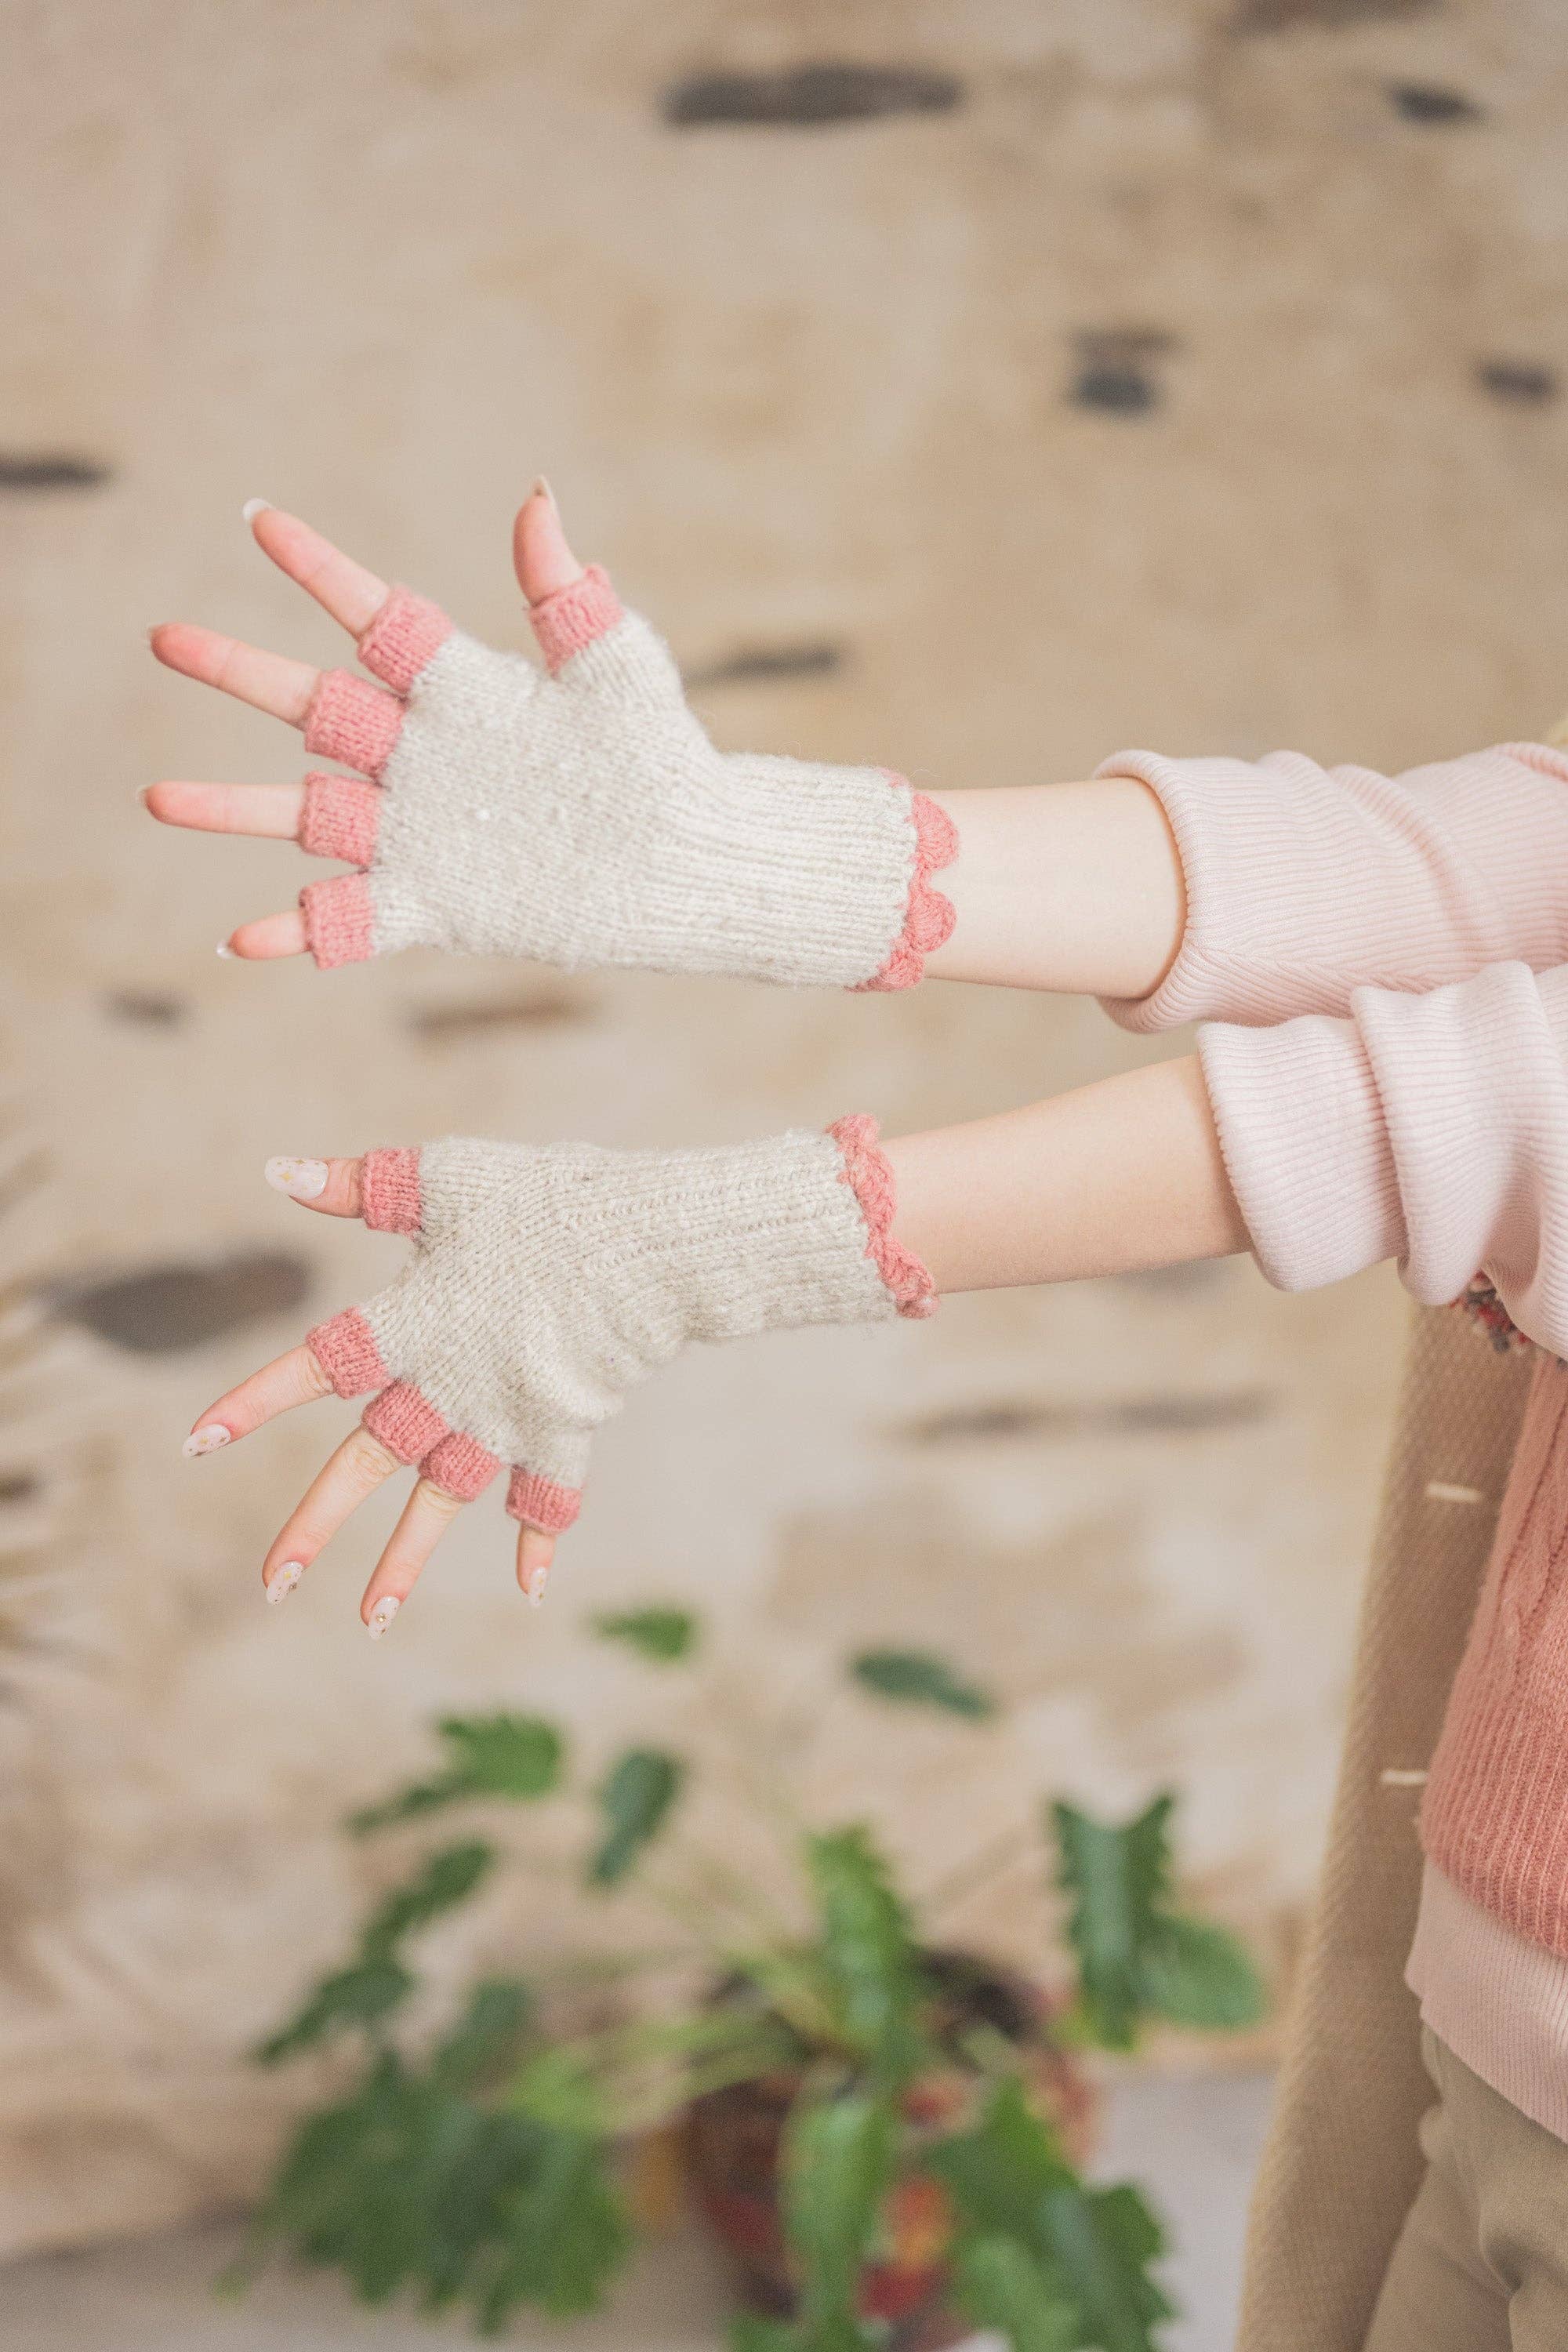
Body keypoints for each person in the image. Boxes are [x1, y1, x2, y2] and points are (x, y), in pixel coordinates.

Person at [146, 486, 1568, 2343]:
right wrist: (731, 852)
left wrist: (690, 1247)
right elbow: (1482, 878)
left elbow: (1486, 1103)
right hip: (1490, 1995)